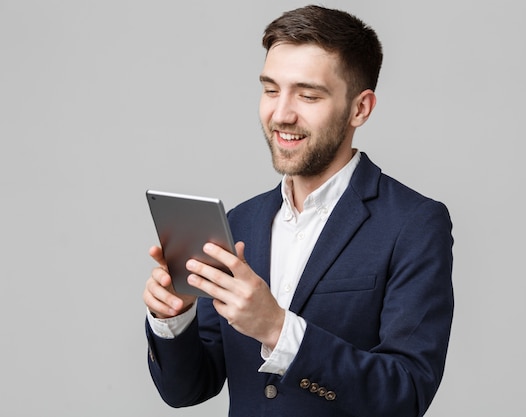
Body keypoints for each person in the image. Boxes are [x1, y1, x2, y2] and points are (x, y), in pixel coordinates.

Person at [143, 5, 454, 417]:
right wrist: (173, 319)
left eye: (308, 95)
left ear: (360, 109)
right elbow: (186, 390)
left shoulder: (414, 224)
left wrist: (277, 328)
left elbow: (406, 393)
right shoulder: (241, 222)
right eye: (271, 90)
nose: (281, 114)